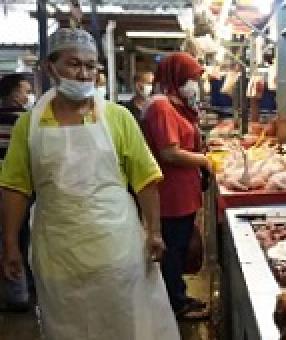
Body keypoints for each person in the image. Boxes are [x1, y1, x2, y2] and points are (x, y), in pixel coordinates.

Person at [0, 28, 180, 340]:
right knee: (68, 327)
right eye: (73, 64)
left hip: (116, 249)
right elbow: (16, 188)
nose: (84, 73)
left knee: (125, 324)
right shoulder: (28, 125)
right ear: (50, 67)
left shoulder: (117, 117)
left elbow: (145, 179)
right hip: (58, 253)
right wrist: (11, 245)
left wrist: (154, 230)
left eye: (91, 66)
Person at [143, 52, 211, 320]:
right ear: (177, 76)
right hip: (170, 194)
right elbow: (169, 152)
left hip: (182, 192)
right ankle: (175, 305)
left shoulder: (173, 105)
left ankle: (177, 296)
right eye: (192, 78)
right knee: (171, 250)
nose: (195, 83)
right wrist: (204, 160)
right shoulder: (161, 107)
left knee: (179, 247)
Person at [0, 73, 34, 313]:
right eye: (25, 90)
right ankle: (19, 292)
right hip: (16, 188)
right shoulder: (24, 120)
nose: (28, 95)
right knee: (17, 238)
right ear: (13, 92)